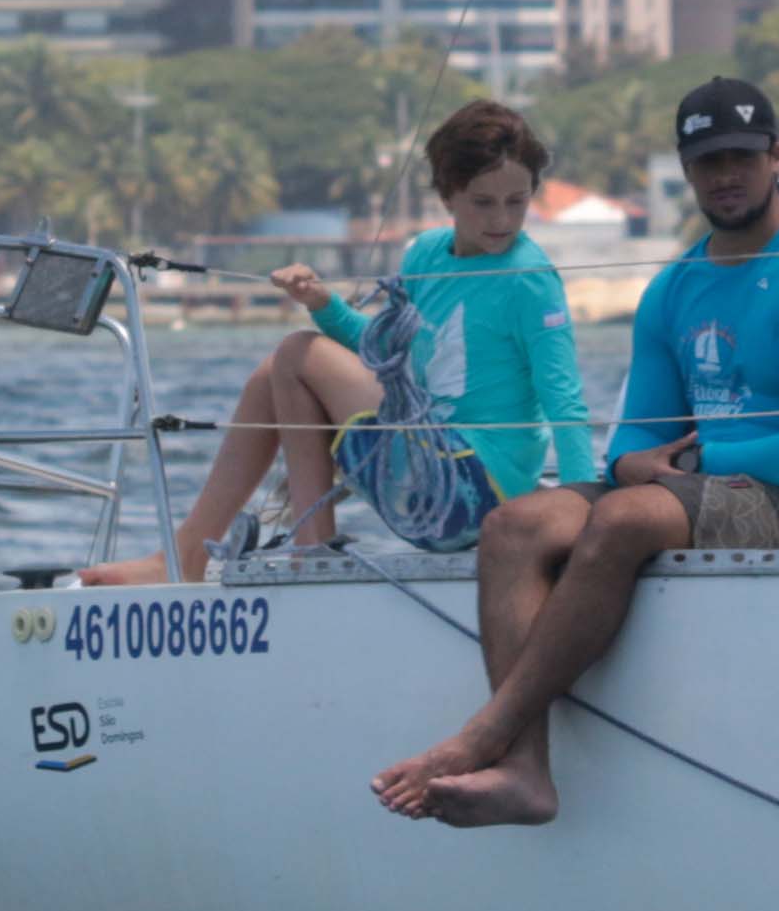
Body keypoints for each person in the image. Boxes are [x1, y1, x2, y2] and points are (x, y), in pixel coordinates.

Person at [371, 77, 779, 828]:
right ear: (687, 170)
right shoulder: (677, 286)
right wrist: (627, 465)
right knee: (515, 526)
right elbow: (638, 436)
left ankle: (484, 734)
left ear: (776, 156)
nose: (726, 176)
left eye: (742, 158)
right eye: (707, 162)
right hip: (690, 488)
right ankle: (525, 771)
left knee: (627, 516)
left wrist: (690, 464)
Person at [88, 99, 591, 585]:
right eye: (483, 202)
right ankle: (188, 556)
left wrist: (580, 511)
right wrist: (321, 301)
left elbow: (563, 399)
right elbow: (382, 354)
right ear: (447, 195)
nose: (502, 219)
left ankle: (311, 552)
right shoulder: (426, 254)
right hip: (430, 472)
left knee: (296, 353)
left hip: (477, 492)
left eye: (516, 202)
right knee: (273, 374)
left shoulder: (529, 278)